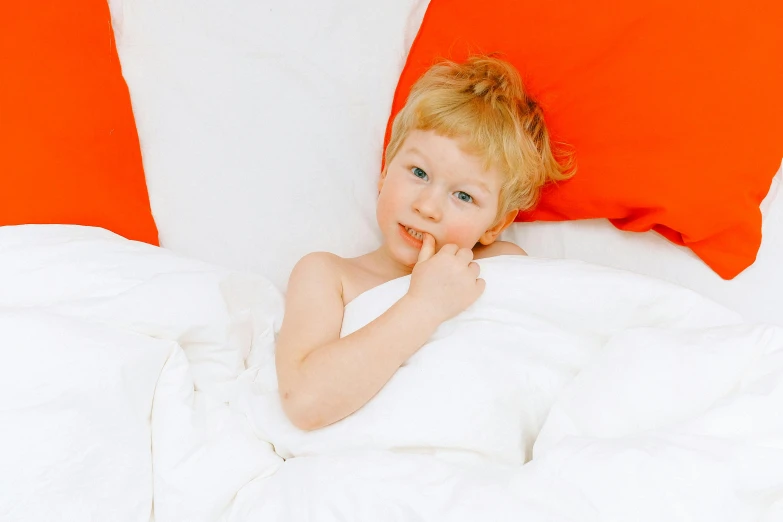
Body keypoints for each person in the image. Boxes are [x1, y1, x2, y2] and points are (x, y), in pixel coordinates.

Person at [275, 55, 573, 431]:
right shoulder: (328, 276)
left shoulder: (501, 268)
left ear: (496, 224)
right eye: (418, 173)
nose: (427, 206)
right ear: (385, 169)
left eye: (463, 196)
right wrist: (423, 306)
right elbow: (304, 404)